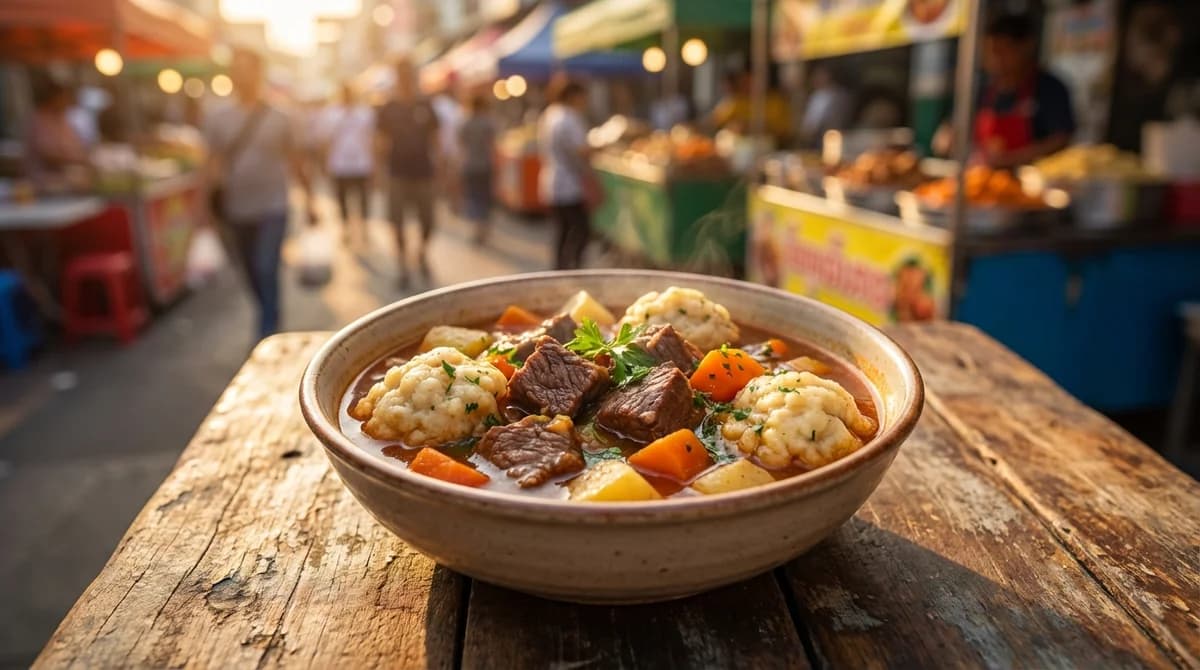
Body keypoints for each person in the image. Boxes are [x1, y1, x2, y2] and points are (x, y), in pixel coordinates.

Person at [204, 47, 314, 338]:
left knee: (266, 268)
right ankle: (267, 314)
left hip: (273, 207)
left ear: (259, 73)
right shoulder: (219, 117)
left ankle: (268, 329)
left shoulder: (280, 117)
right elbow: (212, 164)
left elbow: (296, 161)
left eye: (248, 68)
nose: (242, 75)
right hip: (236, 209)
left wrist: (311, 199)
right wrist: (206, 209)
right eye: (237, 68)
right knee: (250, 272)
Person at [972, 13, 1075, 168]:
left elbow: (1061, 140)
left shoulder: (1050, 88)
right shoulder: (984, 88)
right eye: (990, 51)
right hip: (984, 174)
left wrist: (1011, 159)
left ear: (1026, 47)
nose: (995, 59)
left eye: (1003, 50)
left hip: (1032, 180)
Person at [376, 59, 440, 287]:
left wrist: (442, 169)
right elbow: (380, 142)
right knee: (397, 222)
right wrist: (378, 173)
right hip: (397, 174)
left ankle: (421, 253)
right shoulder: (388, 108)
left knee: (429, 222)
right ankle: (403, 264)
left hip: (424, 173)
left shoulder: (426, 105)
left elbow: (436, 139)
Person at [538, 79, 593, 270]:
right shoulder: (568, 118)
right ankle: (573, 270)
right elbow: (581, 150)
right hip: (568, 182)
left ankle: (560, 268)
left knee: (562, 231)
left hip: (553, 180)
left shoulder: (550, 114)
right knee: (580, 230)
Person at [319, 83, 376, 243]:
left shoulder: (365, 113)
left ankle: (364, 228)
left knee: (363, 199)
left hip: (362, 164)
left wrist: (375, 164)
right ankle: (345, 229)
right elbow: (326, 140)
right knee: (342, 199)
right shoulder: (331, 114)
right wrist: (325, 162)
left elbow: (372, 139)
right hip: (339, 164)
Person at [25, 79, 89, 189]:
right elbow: (47, 155)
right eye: (64, 98)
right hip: (42, 184)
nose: (67, 101)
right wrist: (77, 160)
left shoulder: (64, 119)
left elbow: (75, 146)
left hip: (63, 183)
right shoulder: (39, 120)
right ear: (53, 98)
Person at [709, 71, 792, 143]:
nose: (748, 85)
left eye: (751, 82)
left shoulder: (776, 101)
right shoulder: (736, 101)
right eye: (745, 82)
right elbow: (715, 121)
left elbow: (784, 132)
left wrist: (760, 128)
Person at [458, 93, 496, 244]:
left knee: (473, 197)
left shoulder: (465, 123)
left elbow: (461, 145)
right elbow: (491, 145)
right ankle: (484, 229)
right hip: (484, 165)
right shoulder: (487, 123)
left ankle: (476, 228)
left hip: (469, 165)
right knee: (485, 198)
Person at [800, 65, 853, 146]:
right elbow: (809, 125)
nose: (817, 78)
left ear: (828, 76)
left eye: (821, 75)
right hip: (815, 141)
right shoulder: (816, 96)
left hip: (837, 138)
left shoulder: (840, 95)